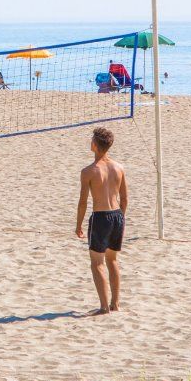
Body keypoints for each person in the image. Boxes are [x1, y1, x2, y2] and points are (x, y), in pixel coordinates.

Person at [74, 127, 128, 315]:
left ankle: (104, 307)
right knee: (112, 260)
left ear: (95, 146)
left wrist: (78, 225)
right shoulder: (119, 167)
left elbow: (83, 202)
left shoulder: (88, 171)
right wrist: (121, 218)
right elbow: (124, 199)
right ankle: (116, 304)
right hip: (117, 216)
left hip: (100, 217)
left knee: (97, 263)